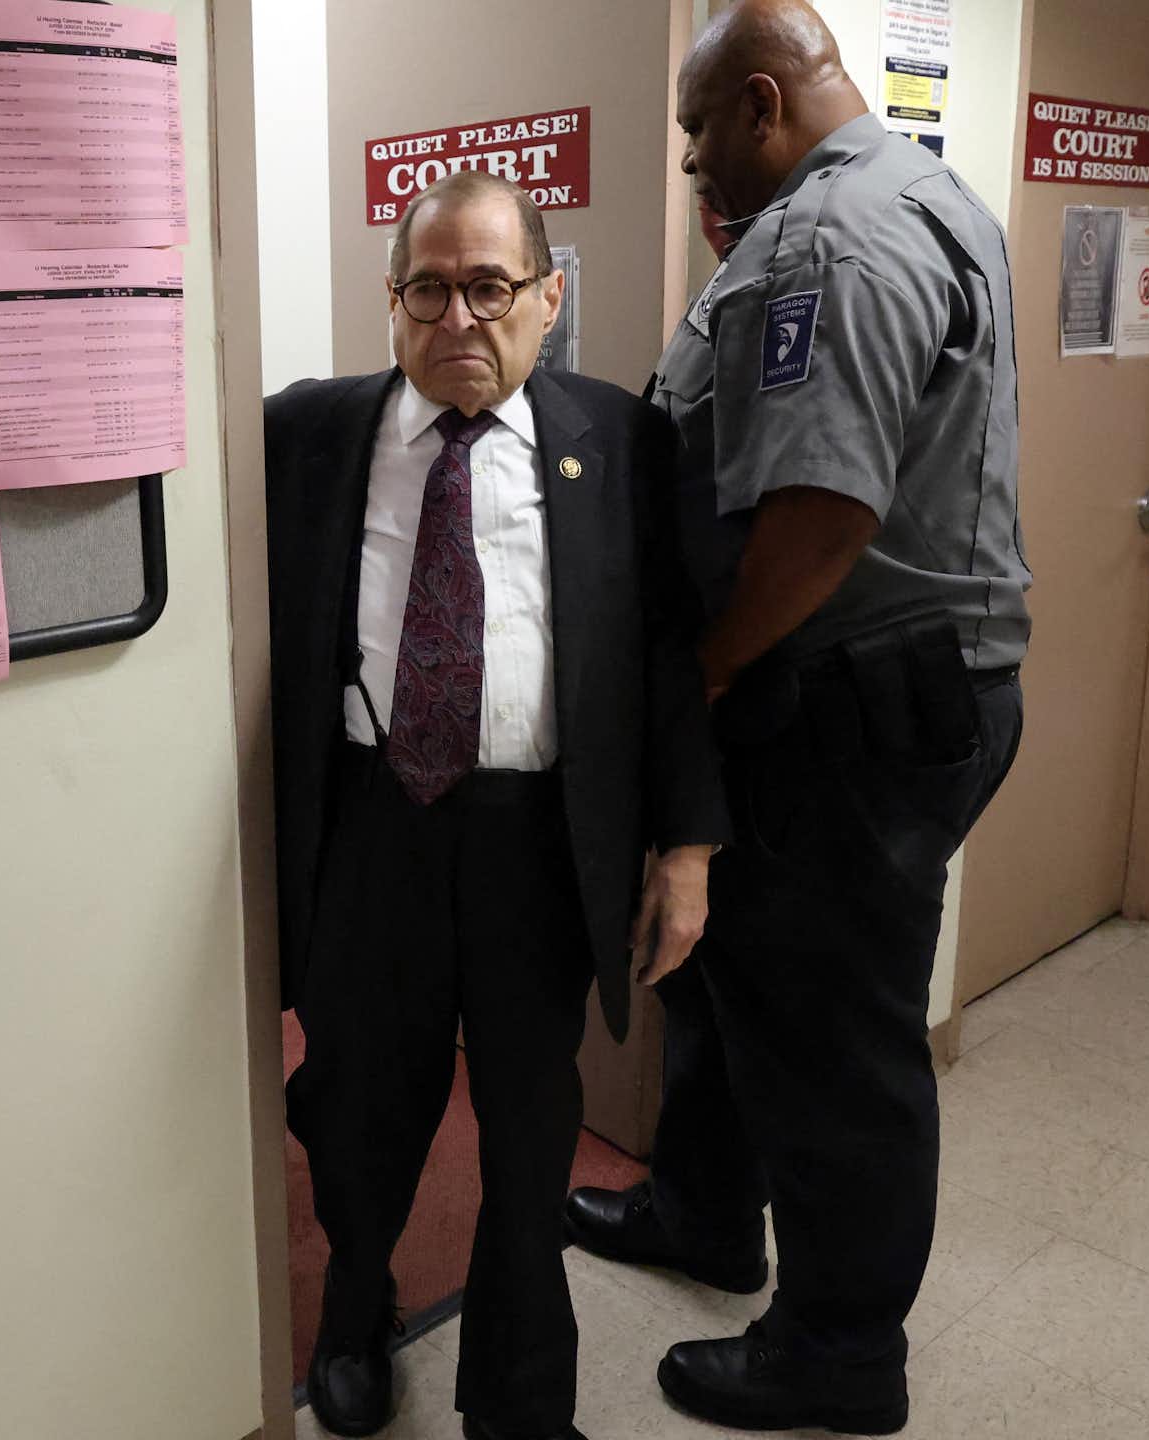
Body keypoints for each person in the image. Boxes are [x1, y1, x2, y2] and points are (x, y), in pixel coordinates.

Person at [564, 2, 1030, 1434]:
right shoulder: (929, 195)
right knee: (734, 981)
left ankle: (839, 1355)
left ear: (761, 102)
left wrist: (695, 676)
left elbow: (824, 516)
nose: (696, 163)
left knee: (834, 1041)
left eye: (703, 130)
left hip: (849, 702)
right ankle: (707, 1212)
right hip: (860, 691)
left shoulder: (826, 243)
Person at [265, 171, 727, 1440]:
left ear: (545, 296)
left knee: (530, 1140)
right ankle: (355, 1308)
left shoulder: (619, 442)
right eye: (428, 288)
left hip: (538, 846)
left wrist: (684, 848)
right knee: (359, 1114)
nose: (458, 317)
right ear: (392, 299)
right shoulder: (306, 436)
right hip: (369, 835)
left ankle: (522, 1403)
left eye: (489, 287)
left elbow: (668, 656)